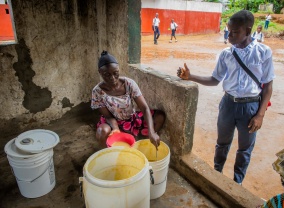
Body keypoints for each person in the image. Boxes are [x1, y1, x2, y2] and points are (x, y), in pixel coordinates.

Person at [177, 10, 274, 185]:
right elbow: (214, 80)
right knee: (222, 143)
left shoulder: (263, 52)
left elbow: (268, 87)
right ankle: (217, 174)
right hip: (228, 104)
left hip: (250, 108)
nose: (230, 35)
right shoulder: (226, 54)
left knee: (244, 149)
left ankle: (237, 183)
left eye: (235, 32)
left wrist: (260, 115)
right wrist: (190, 77)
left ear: (248, 30)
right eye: (229, 31)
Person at [91, 51, 166, 148]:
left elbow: (144, 108)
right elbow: (108, 116)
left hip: (131, 119)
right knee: (102, 132)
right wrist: (116, 129)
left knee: (160, 116)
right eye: (107, 75)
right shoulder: (97, 92)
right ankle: (108, 153)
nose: (113, 78)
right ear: (100, 72)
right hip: (111, 123)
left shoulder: (129, 84)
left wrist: (152, 132)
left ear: (118, 69)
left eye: (115, 73)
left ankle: (147, 143)